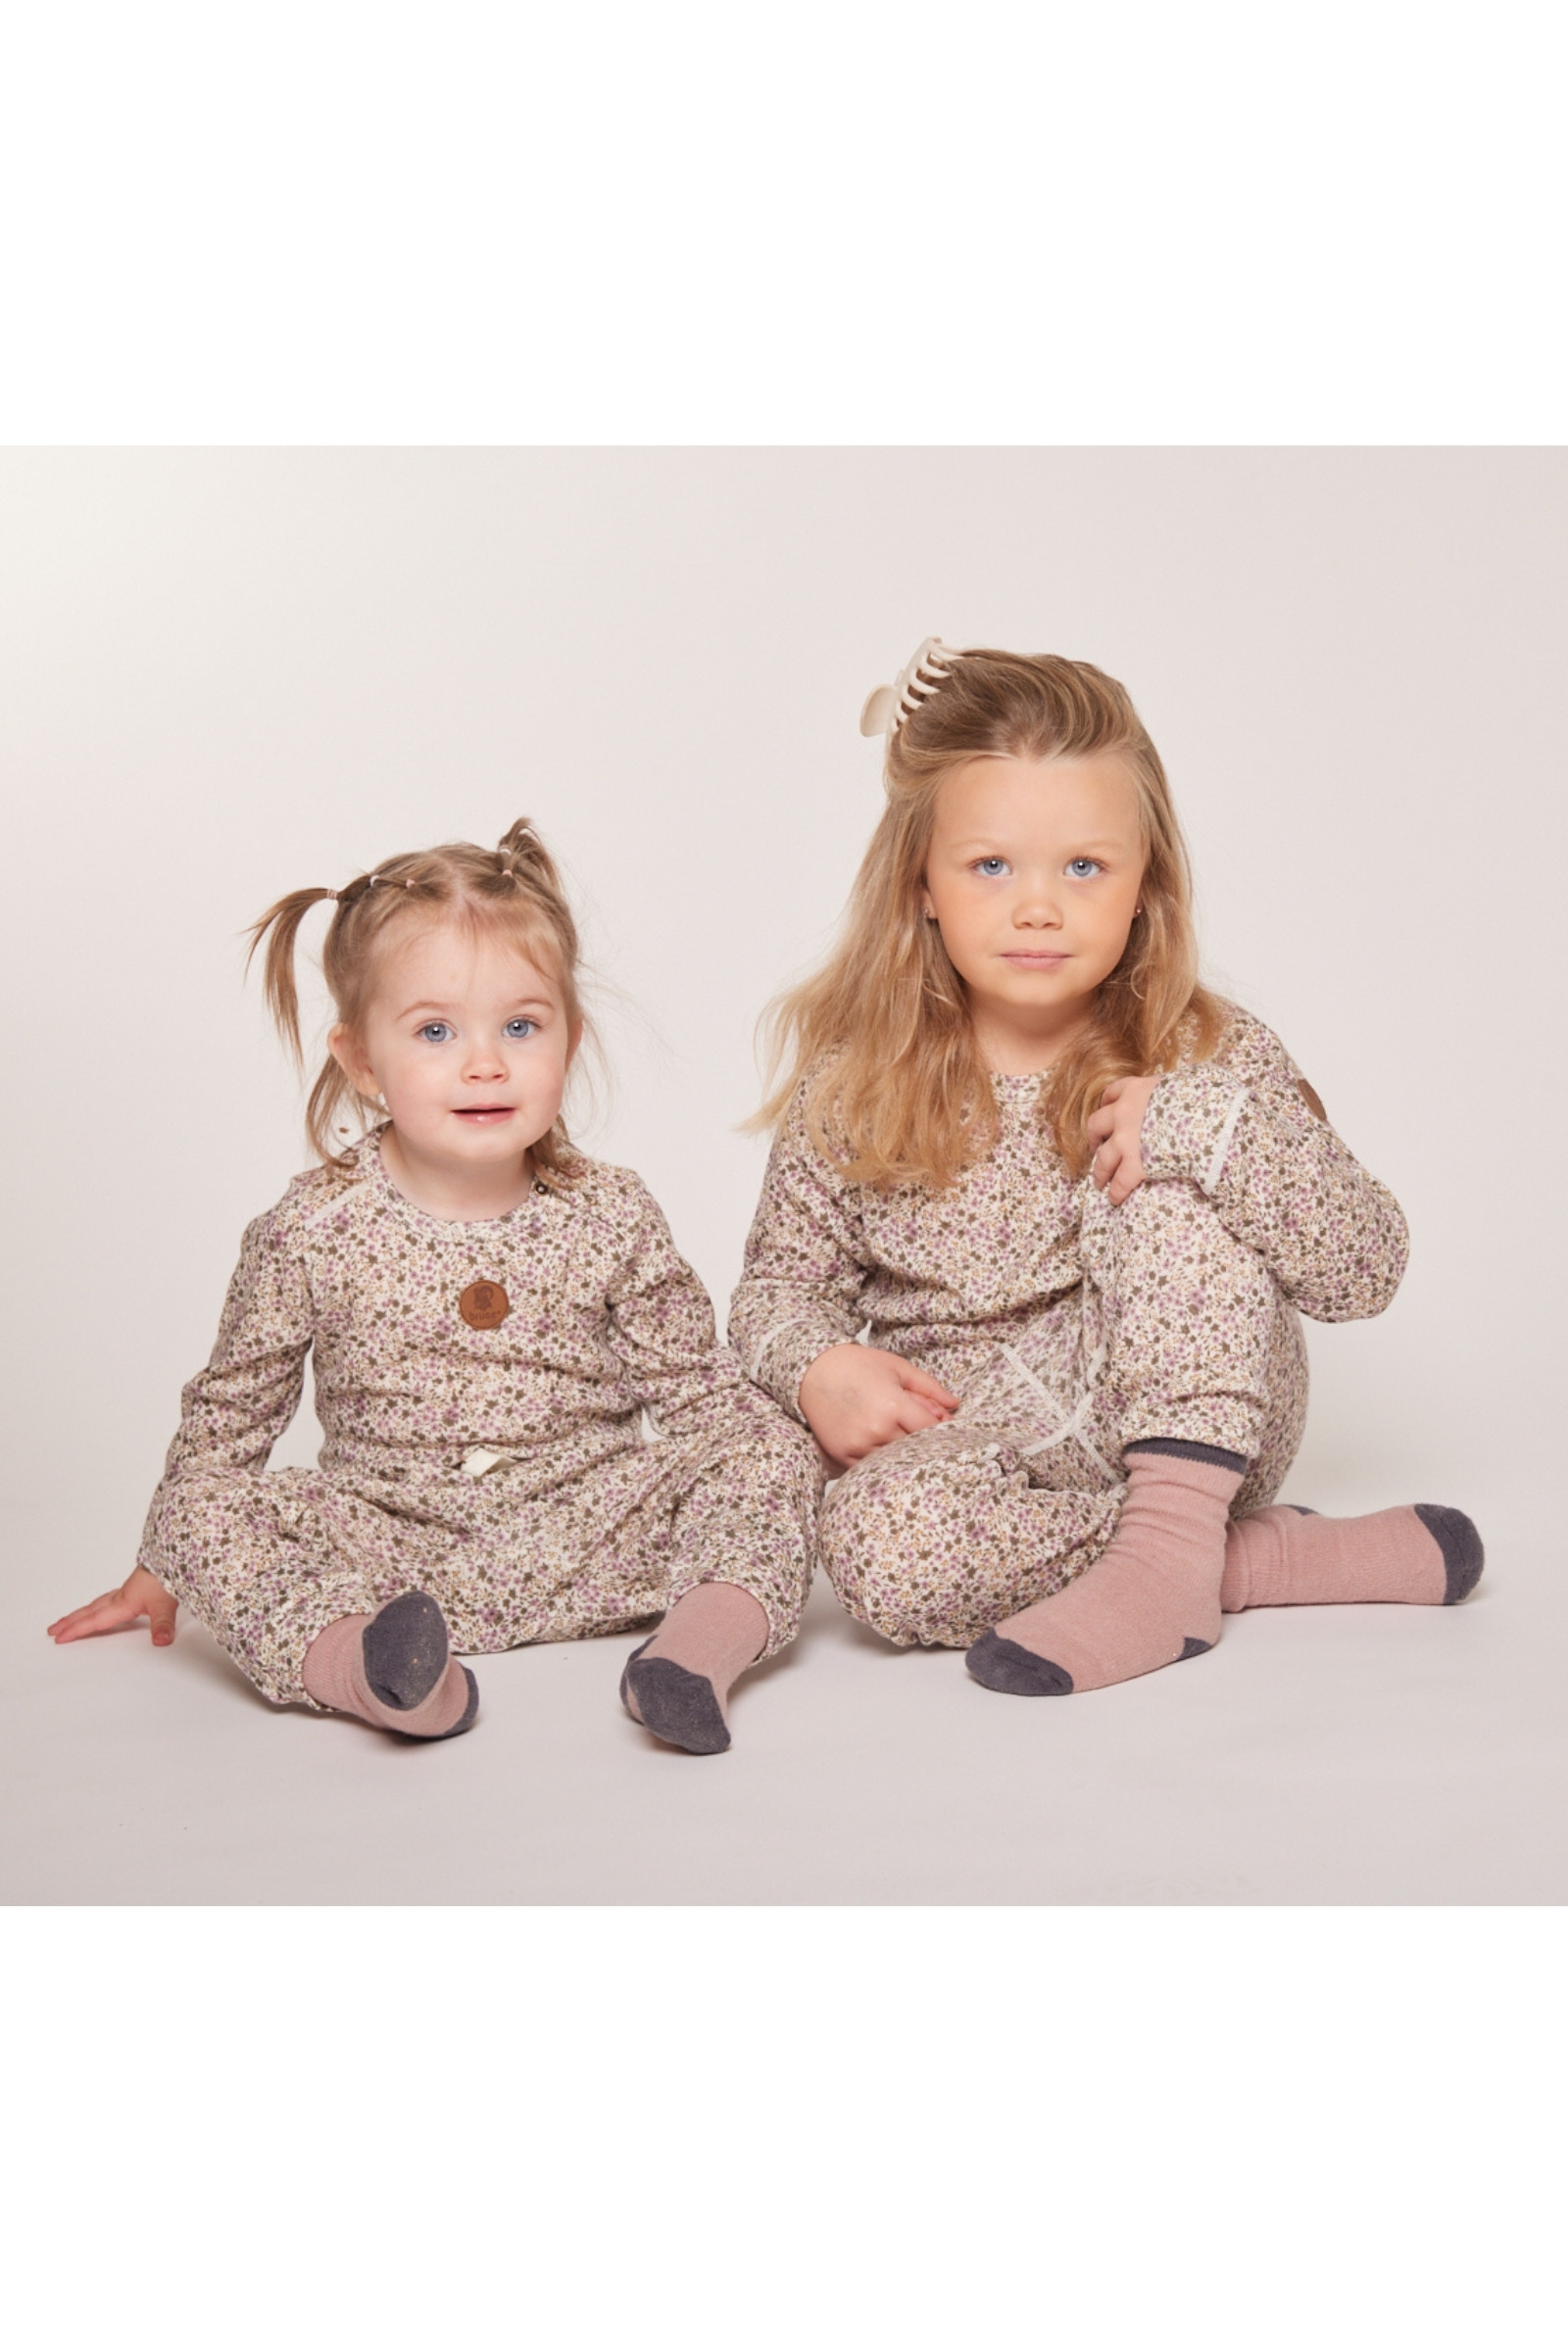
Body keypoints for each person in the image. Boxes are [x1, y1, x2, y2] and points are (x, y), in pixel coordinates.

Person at [731, 641, 1482, 1697]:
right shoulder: (852, 1083)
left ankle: (1176, 1531)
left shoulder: (1204, 1053)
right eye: (991, 866)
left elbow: (1366, 1270)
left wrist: (1211, 1127)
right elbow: (776, 1288)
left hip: (1193, 1423)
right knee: (873, 1548)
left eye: (1083, 867)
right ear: (922, 885)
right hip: (982, 1448)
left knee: (1166, 1162)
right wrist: (818, 1365)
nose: (1038, 907)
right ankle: (1241, 1562)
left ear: (1143, 888)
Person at [48, 820, 820, 1753]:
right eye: (436, 1031)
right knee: (195, 1504)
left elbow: (697, 1391)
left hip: (591, 1535)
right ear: (362, 1061)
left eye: (521, 1027)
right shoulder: (310, 1229)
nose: (484, 1062)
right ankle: (385, 1675)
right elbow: (234, 1408)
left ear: (570, 1040)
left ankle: (691, 1657)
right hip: (389, 1548)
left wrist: (777, 1460)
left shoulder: (610, 1212)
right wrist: (163, 1560)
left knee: (772, 1448)